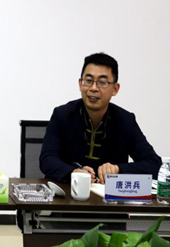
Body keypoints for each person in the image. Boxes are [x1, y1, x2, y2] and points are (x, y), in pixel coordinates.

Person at [40, 52, 161, 184]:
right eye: (88, 81)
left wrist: (118, 169)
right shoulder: (62, 115)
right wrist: (73, 172)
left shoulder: (126, 121)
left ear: (115, 89)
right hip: (68, 192)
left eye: (102, 82)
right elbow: (47, 159)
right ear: (80, 84)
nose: (93, 88)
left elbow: (154, 164)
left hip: (108, 195)